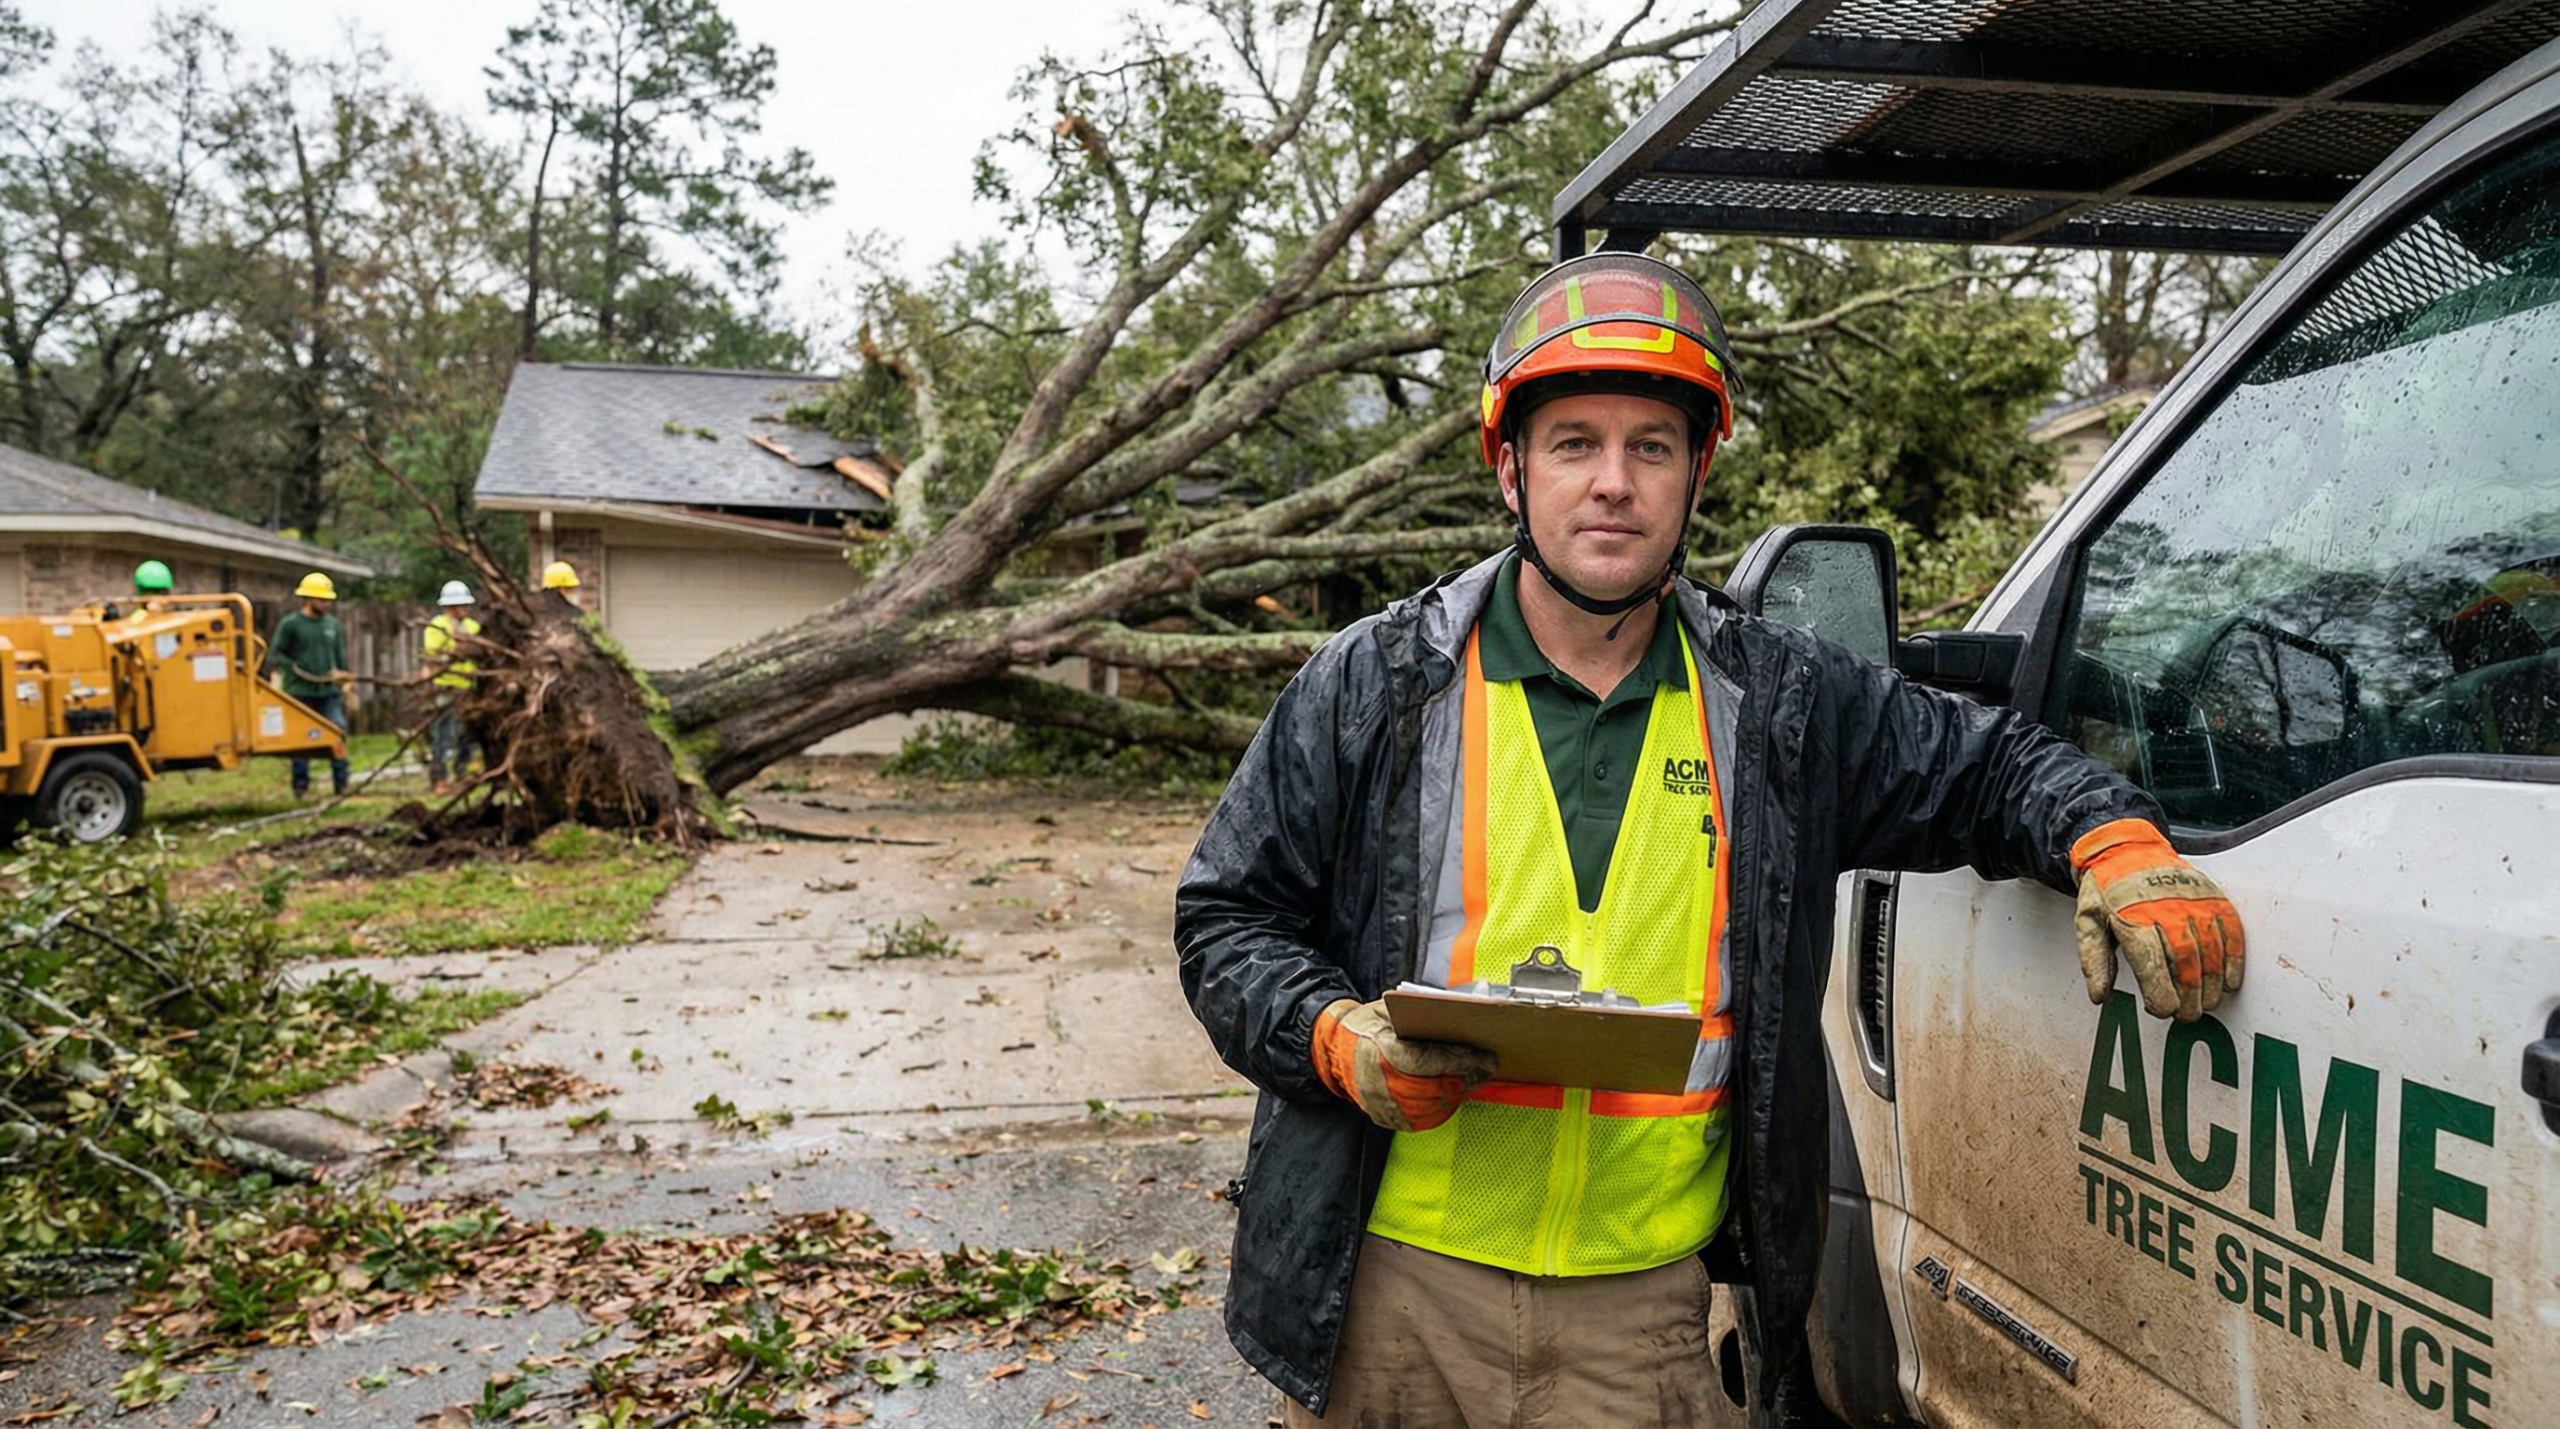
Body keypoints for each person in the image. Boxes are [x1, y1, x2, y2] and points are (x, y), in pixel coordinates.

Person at [1172, 252, 2247, 1427]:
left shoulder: (1780, 702)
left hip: (1640, 1315)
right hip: (1395, 1290)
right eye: (1574, 441)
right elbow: (1228, 918)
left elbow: (1987, 763)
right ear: (1510, 467)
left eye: (1651, 446)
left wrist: (2113, 837)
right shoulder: (1378, 683)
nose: (1612, 483)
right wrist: (1336, 1041)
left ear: (1697, 471)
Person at [267, 572, 353, 798]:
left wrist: (344, 680)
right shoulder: (291, 624)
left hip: (328, 692)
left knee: (337, 731)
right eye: (323, 600)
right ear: (308, 599)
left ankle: (342, 785)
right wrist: (293, 667)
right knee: (301, 740)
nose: (326, 604)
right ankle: (300, 787)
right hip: (299, 692)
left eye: (328, 601)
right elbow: (277, 653)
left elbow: (340, 655)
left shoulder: (332, 625)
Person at [422, 580, 482, 793]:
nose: (466, 608)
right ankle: (439, 778)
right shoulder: (436, 626)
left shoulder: (473, 627)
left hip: (467, 687)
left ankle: (462, 772)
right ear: (451, 605)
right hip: (445, 688)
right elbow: (433, 654)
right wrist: (455, 645)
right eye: (462, 604)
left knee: (466, 734)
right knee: (443, 734)